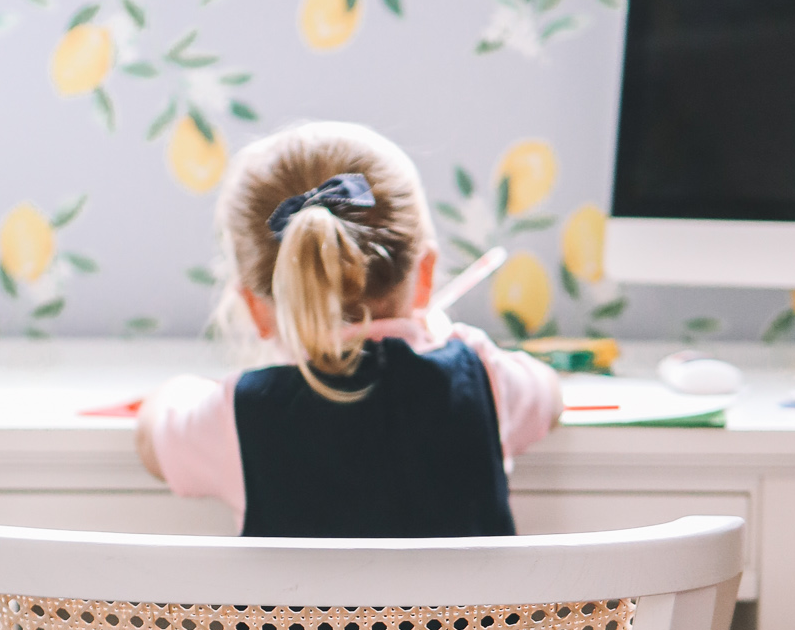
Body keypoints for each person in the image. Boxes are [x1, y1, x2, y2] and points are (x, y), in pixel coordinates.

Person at [136, 121, 562, 536]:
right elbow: (550, 395)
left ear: (255, 307)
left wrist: (177, 392)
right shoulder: (482, 374)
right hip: (464, 614)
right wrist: (444, 339)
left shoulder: (236, 415)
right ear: (425, 277)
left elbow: (151, 441)